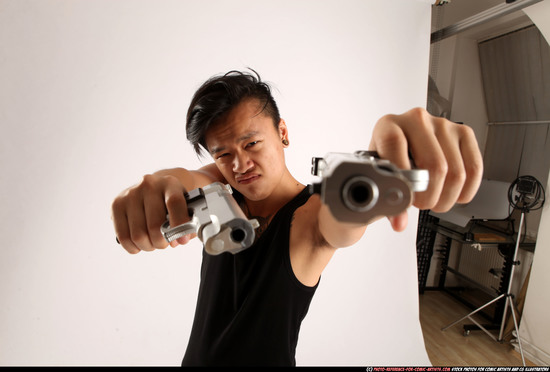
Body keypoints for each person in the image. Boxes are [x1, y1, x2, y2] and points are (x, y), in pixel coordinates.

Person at [111, 70, 483, 366]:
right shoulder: (220, 190)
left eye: (252, 143)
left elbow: (342, 210)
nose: (240, 165)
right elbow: (187, 178)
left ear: (283, 133)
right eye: (223, 154)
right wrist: (162, 185)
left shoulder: (310, 214)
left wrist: (377, 164)